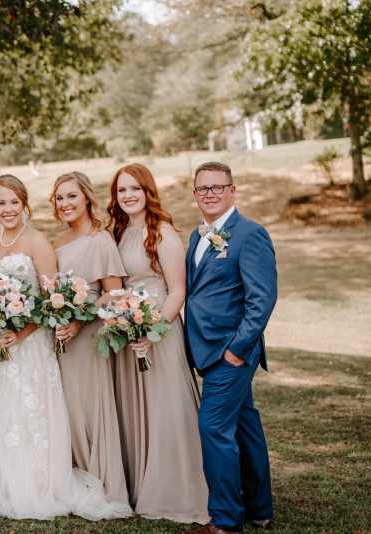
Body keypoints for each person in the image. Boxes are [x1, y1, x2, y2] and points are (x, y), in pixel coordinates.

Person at [0, 174, 132, 521]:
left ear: (24, 204)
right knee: (1, 414)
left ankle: (39, 485)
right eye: (1, 202)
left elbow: (49, 303)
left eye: (14, 202)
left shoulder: (39, 243)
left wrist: (21, 334)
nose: (7, 209)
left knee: (31, 414)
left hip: (30, 345)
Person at [107, 163, 208, 524]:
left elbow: (178, 290)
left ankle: (177, 492)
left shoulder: (162, 233)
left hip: (159, 332)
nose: (128, 195)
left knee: (165, 406)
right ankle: (140, 484)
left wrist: (153, 333)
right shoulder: (118, 233)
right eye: (121, 190)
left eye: (135, 188)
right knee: (137, 407)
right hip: (128, 331)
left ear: (147, 191)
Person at [183, 162, 276, 534]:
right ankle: (259, 508)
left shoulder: (250, 234)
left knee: (213, 428)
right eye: (202, 188)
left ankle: (224, 521)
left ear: (232, 190)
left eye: (217, 187)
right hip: (206, 346)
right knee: (244, 424)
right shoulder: (198, 235)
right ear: (195, 194)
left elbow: (262, 299)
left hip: (231, 350)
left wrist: (237, 349)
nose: (209, 194)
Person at [49, 171, 131, 511]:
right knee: (67, 409)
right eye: (59, 198)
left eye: (71, 196)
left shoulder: (101, 240)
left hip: (89, 338)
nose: (65, 203)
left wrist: (80, 321)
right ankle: (75, 479)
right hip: (60, 339)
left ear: (86, 198)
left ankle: (103, 483)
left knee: (90, 409)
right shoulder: (57, 242)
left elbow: (114, 294)